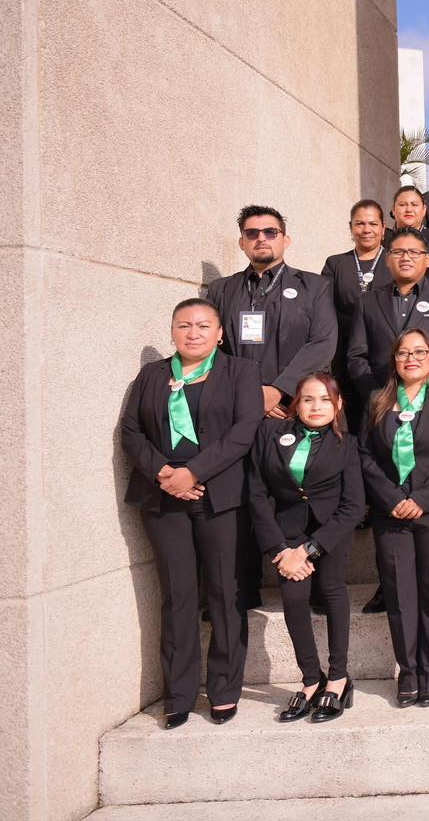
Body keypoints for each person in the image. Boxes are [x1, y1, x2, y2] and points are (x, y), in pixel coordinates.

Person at [121, 299, 263, 729]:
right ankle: (179, 693)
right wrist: (164, 472)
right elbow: (131, 430)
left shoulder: (240, 372)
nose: (193, 333)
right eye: (184, 325)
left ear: (220, 333)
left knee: (224, 594)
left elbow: (244, 432)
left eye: (204, 326)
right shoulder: (152, 375)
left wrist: (193, 472)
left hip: (220, 499)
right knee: (178, 596)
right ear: (172, 332)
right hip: (162, 499)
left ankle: (223, 689)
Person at [208, 205, 337, 606]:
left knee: (296, 495)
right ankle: (241, 592)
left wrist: (278, 392)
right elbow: (217, 351)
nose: (261, 238)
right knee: (242, 499)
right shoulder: (222, 291)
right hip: (241, 417)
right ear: (242, 242)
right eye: (252, 233)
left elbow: (322, 343)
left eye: (270, 231)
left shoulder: (314, 286)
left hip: (293, 412)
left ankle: (310, 587)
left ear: (286, 239)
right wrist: (252, 399)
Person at [358, 327, 429, 707]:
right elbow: (365, 455)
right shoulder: (377, 399)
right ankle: (408, 671)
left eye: (420, 352)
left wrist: (422, 497)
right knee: (400, 595)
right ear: (395, 361)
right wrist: (391, 498)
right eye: (404, 353)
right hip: (391, 512)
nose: (412, 359)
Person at [247, 373, 364, 722]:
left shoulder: (349, 445)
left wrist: (310, 549)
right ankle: (312, 680)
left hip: (330, 532)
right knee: (294, 598)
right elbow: (256, 493)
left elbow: (354, 506)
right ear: (295, 403)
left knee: (330, 589)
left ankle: (339, 679)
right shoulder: (269, 434)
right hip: (286, 534)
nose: (316, 406)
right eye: (308, 399)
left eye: (325, 399)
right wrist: (280, 550)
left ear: (338, 404)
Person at [346, 228, 429, 407]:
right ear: (387, 259)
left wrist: (424, 391)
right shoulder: (368, 301)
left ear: (428, 260)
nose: (405, 257)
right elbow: (356, 357)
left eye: (414, 252)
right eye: (398, 252)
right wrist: (377, 395)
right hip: (382, 404)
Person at [322, 199, 393, 431]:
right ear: (351, 227)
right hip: (346, 353)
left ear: (383, 228)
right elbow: (324, 306)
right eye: (360, 223)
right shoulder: (335, 264)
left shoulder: (395, 260)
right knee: (354, 422)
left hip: (387, 354)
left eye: (373, 223)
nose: (366, 229)